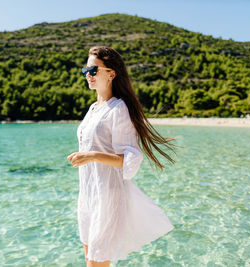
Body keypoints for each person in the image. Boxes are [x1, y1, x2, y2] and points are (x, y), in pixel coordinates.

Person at [67, 46, 175, 266]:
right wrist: (88, 157)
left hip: (108, 196)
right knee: (89, 260)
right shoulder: (93, 109)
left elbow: (130, 160)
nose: (88, 74)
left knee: (96, 263)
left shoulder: (118, 108)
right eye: (85, 69)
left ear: (111, 73)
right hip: (88, 194)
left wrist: (92, 155)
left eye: (93, 69)